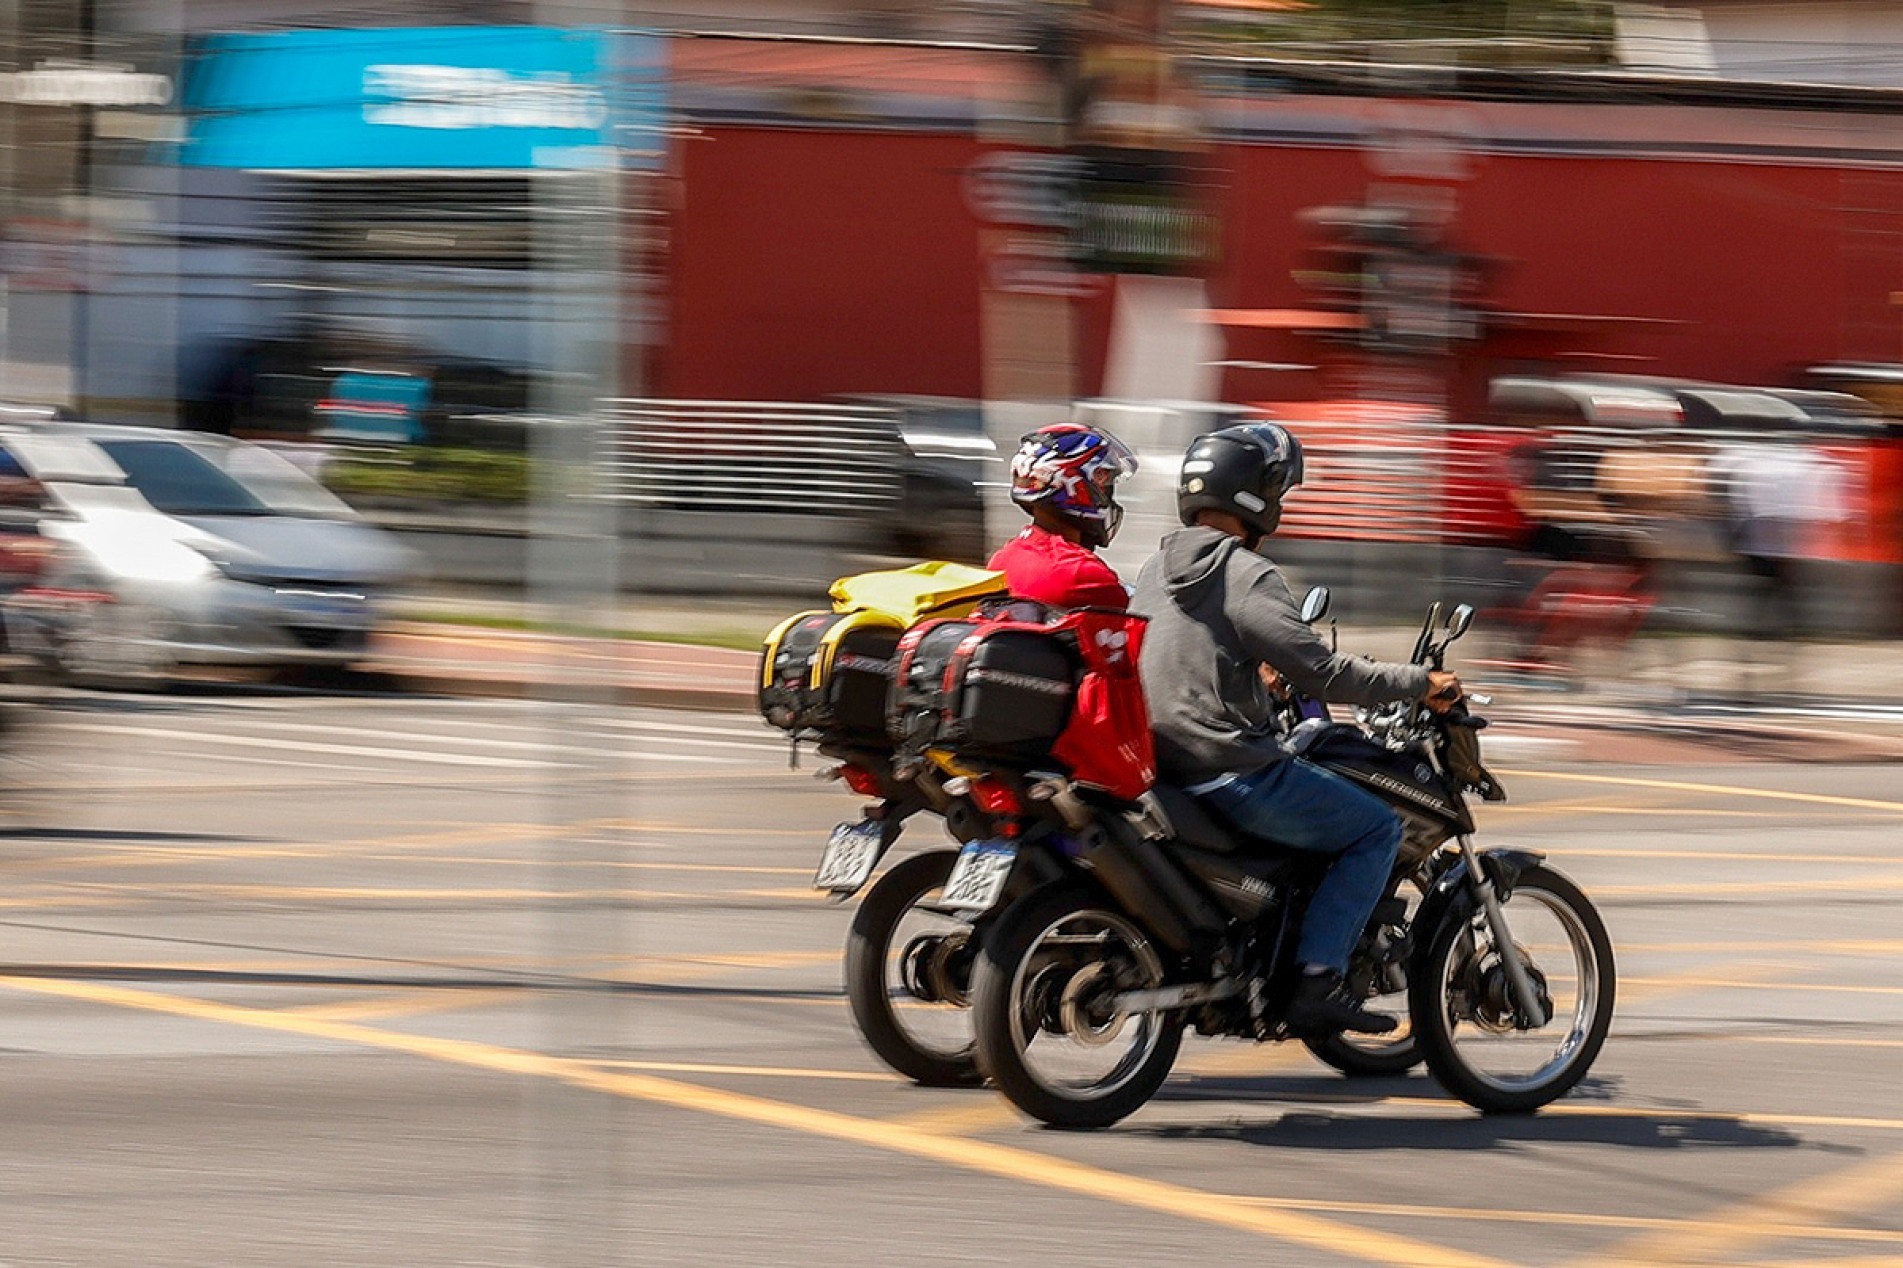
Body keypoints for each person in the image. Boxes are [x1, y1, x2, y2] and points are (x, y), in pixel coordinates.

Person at [1131, 423, 1461, 1035]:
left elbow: (1190, 663)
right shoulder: (1244, 572)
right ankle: (1316, 980)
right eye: (1278, 488)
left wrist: (1256, 685)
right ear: (1255, 497)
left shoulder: (1155, 568)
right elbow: (1326, 672)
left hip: (1158, 765)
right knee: (1374, 828)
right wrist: (1420, 682)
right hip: (1225, 769)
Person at [988, 422, 1137, 610]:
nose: (1106, 494)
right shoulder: (1082, 573)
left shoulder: (1003, 558)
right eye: (1101, 481)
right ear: (1072, 484)